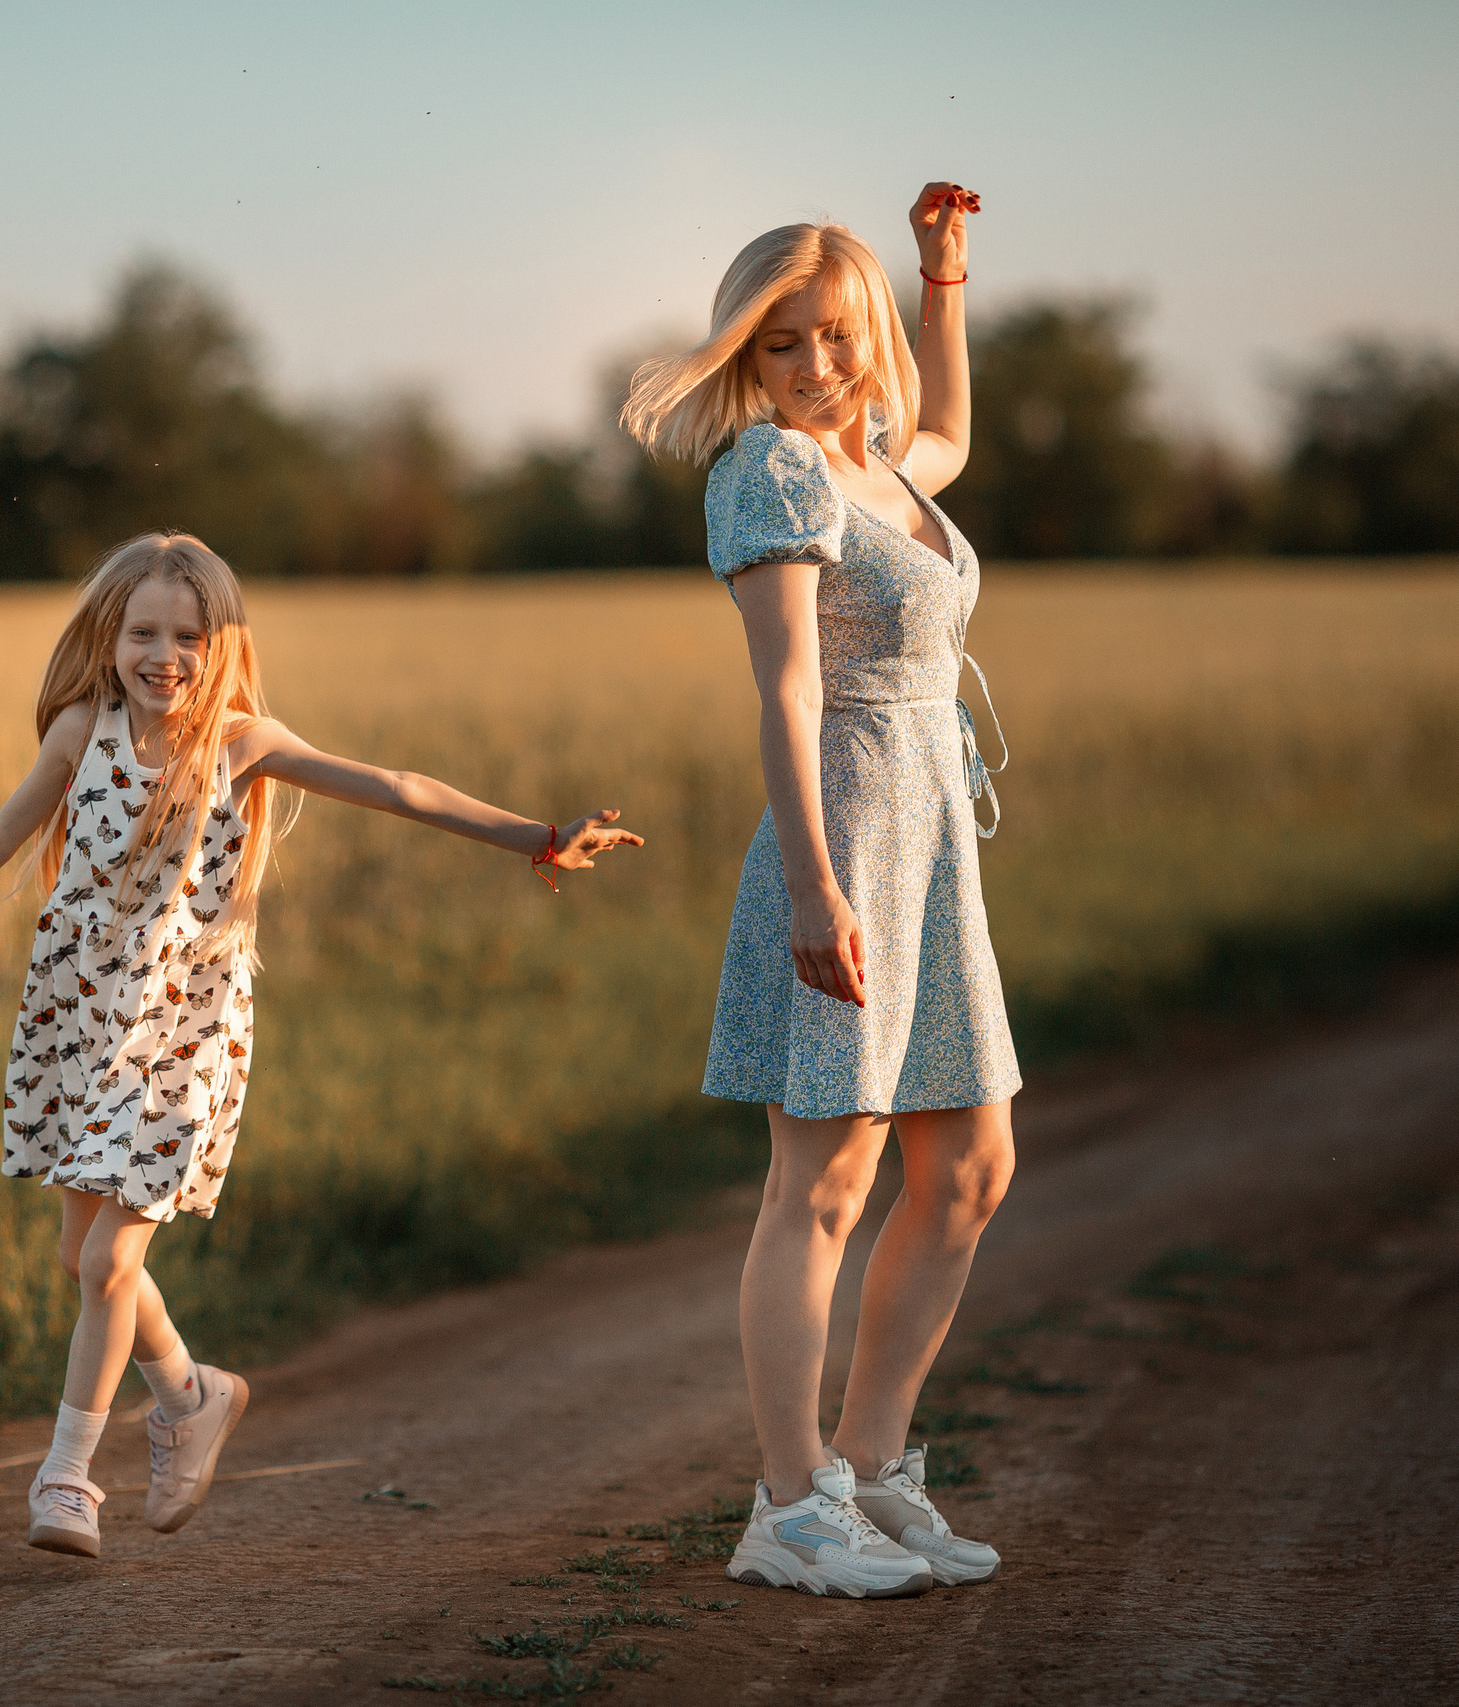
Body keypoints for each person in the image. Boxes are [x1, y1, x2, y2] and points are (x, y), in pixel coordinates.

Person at [0, 531, 641, 1559]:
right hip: (78, 1016)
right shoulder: (81, 730)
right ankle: (191, 1394)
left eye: (190, 636)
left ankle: (67, 1477)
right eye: (143, 632)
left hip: (183, 1028)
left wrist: (538, 837)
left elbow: (396, 785)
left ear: (224, 645)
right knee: (81, 1259)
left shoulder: (242, 742)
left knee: (109, 1259)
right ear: (108, 636)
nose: (164, 655)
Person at [621, 188, 1017, 1600]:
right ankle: (790, 1507)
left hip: (932, 850)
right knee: (827, 1177)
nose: (813, 365)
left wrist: (941, 278)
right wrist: (811, 887)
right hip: (843, 835)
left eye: (836, 334)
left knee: (967, 1169)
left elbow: (948, 430)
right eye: (779, 343)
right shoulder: (773, 473)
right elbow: (788, 687)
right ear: (747, 355)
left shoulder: (883, 464)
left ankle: (872, 1467)